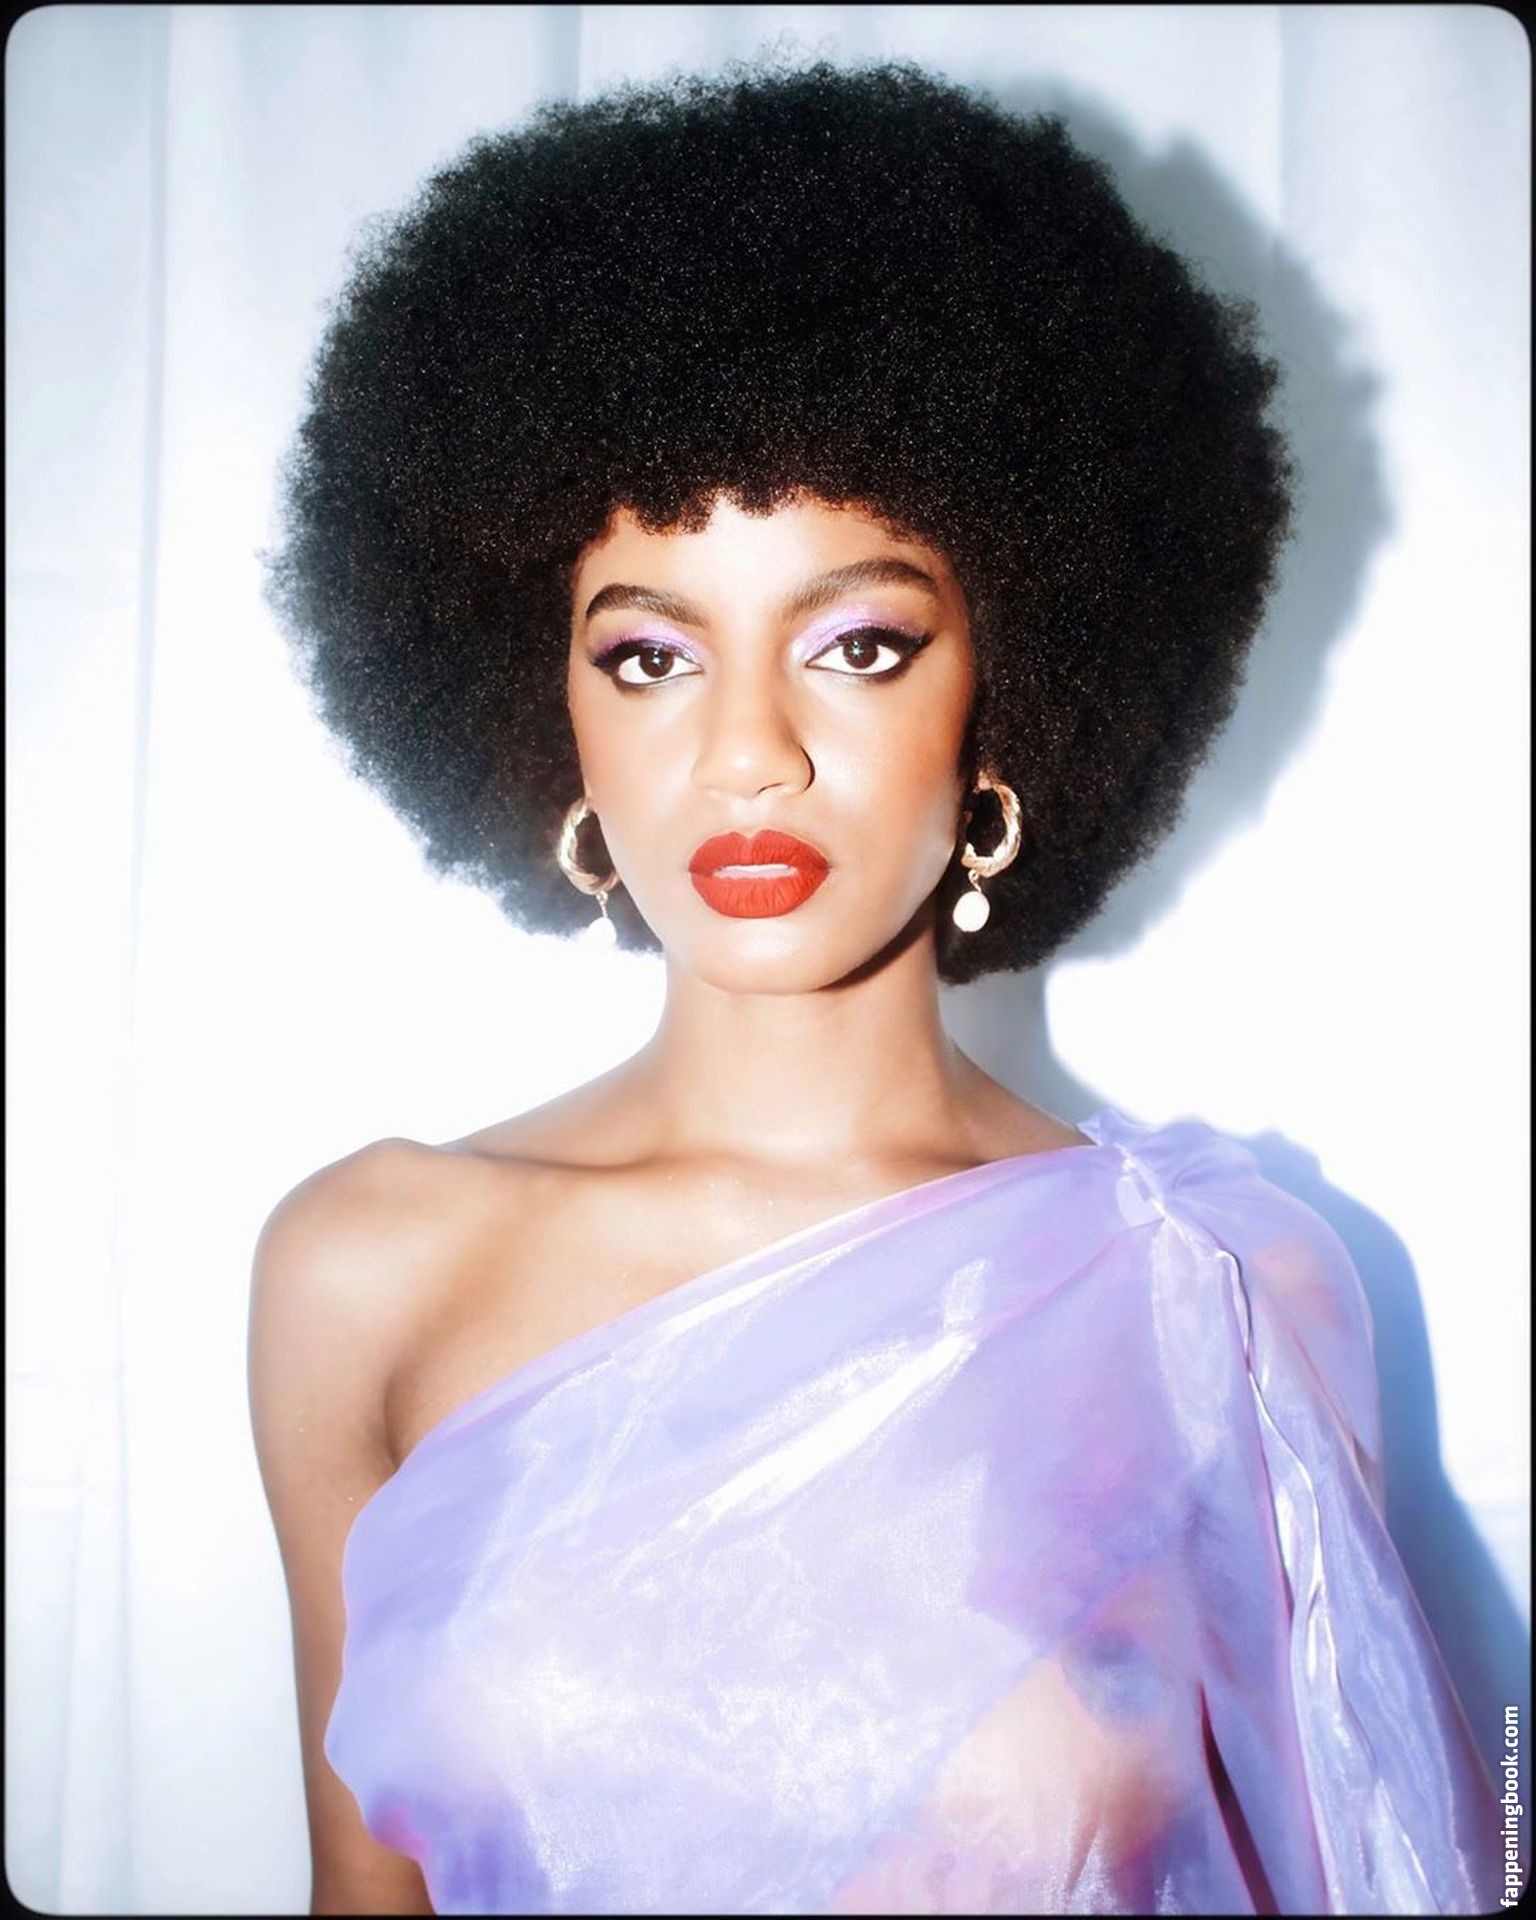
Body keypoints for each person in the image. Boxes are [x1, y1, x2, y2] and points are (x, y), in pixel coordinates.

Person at [249, 59, 1506, 1916]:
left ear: (1013, 692)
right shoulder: (366, 1272)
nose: (749, 753)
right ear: (544, 705)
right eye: (651, 655)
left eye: (857, 642)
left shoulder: (1221, 1294)